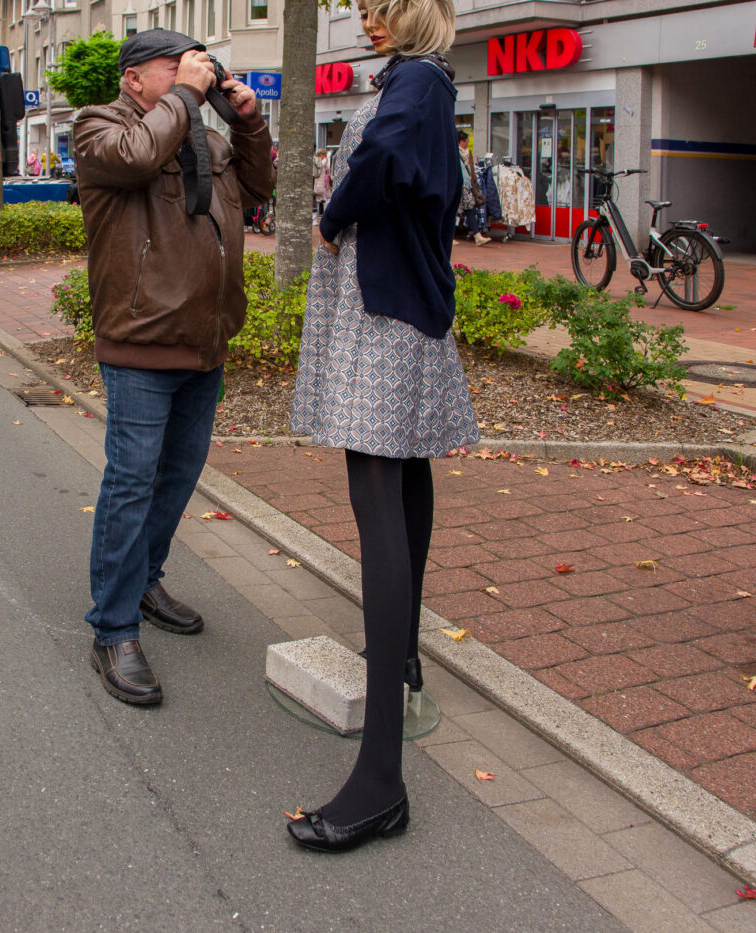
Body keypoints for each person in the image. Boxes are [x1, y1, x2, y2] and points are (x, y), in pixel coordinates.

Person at [288, 0, 476, 852]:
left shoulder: (418, 83)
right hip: (395, 304)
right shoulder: (424, 81)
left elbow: (388, 157)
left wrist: (331, 217)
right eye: (362, 8)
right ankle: (400, 661)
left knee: (378, 497)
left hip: (384, 311)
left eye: (380, 6)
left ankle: (380, 782)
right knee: (401, 481)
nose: (367, 19)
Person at [73, 28, 273, 705]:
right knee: (132, 483)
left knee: (178, 476)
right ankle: (113, 627)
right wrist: (187, 95)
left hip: (204, 337)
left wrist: (247, 122)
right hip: (142, 337)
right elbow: (136, 158)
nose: (196, 73)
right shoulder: (99, 126)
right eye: (178, 65)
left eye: (200, 65)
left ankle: (144, 580)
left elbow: (259, 186)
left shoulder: (203, 136)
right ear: (134, 77)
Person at [457, 131, 490, 245]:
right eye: (466, 140)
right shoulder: (454, 152)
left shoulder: (468, 153)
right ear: (461, 141)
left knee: (470, 208)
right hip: (457, 185)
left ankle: (477, 236)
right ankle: (448, 237)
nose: (468, 142)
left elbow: (471, 169)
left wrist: (474, 181)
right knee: (452, 211)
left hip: (467, 185)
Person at [313, 147, 332, 218]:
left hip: (325, 183)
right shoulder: (322, 161)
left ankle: (326, 214)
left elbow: (327, 169)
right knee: (322, 199)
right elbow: (320, 166)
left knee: (326, 199)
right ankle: (322, 215)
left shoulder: (326, 161)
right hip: (322, 183)